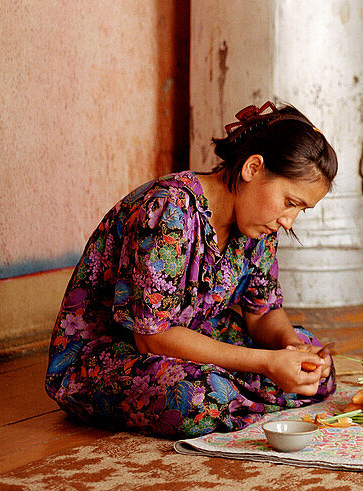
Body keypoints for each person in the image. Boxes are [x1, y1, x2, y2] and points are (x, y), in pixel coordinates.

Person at [45, 101, 338, 439]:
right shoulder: (169, 209)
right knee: (197, 397)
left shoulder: (259, 226)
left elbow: (263, 313)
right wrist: (265, 364)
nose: (289, 221)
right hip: (116, 353)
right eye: (290, 202)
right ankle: (239, 393)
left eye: (301, 210)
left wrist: (290, 348)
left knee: (316, 369)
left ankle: (241, 395)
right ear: (253, 168)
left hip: (197, 339)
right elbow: (151, 337)